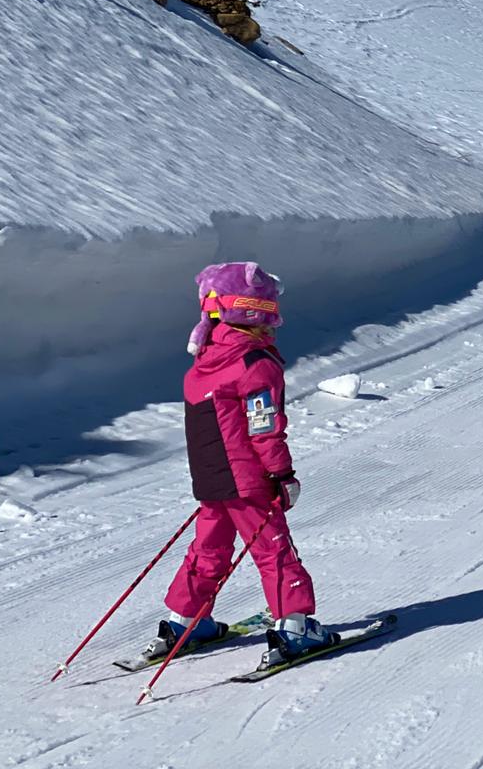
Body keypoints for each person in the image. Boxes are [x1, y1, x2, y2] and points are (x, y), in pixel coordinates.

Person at [143, 262, 336, 671]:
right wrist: (282, 475)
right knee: (274, 551)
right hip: (248, 481)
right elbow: (264, 428)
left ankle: (186, 622)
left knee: (208, 550)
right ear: (257, 311)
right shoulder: (254, 363)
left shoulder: (201, 365)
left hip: (211, 480)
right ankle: (295, 628)